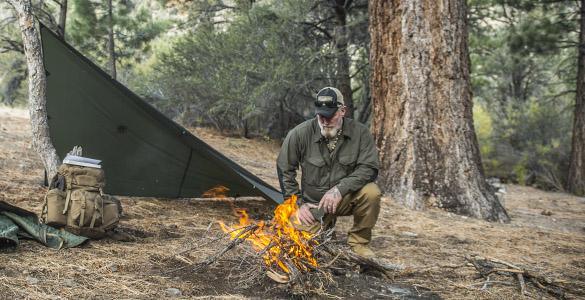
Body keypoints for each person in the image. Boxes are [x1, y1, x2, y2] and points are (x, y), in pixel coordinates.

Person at [277, 87, 382, 258]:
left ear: (342, 111)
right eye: (321, 116)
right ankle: (325, 233)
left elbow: (369, 168)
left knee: (371, 192)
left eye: (330, 115)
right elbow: (284, 169)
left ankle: (359, 244)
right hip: (314, 204)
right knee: (302, 248)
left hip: (345, 198)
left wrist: (339, 189)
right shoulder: (300, 133)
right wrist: (297, 204)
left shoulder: (360, 133)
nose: (325, 121)